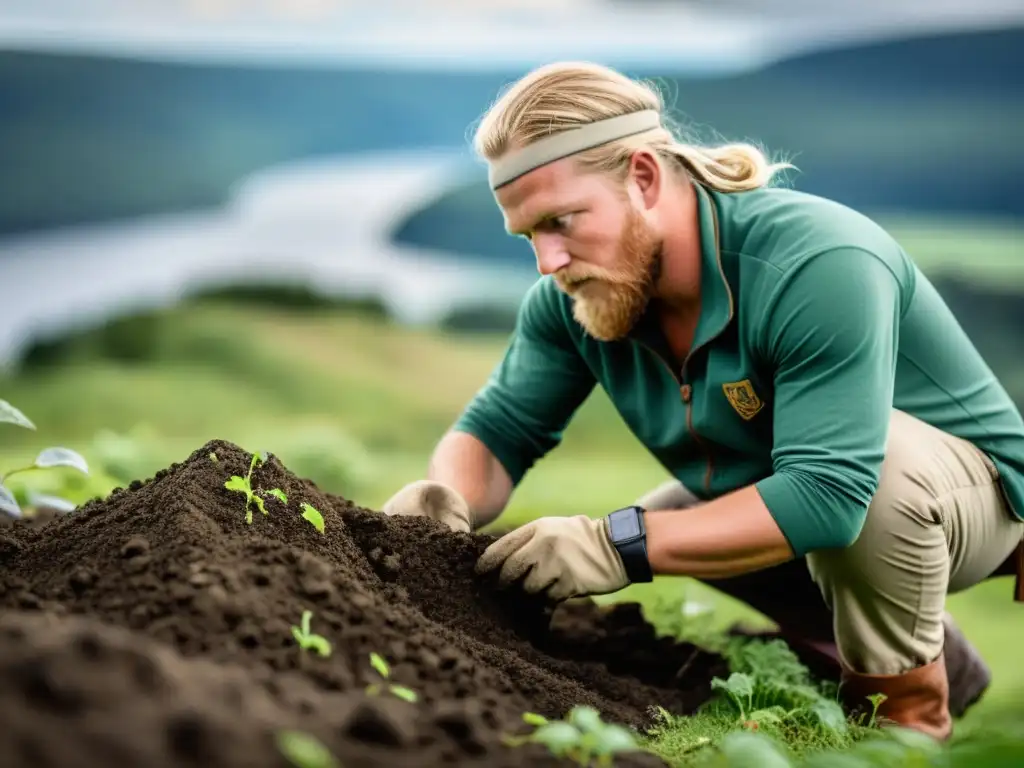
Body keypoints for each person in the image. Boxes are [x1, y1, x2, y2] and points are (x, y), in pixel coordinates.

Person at [380, 61, 1024, 740]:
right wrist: (442, 501)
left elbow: (832, 494)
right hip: (787, 484)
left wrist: (614, 546)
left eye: (562, 222)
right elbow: (502, 426)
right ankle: (921, 646)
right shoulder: (574, 298)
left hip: (969, 499)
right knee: (675, 516)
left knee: (866, 480)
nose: (547, 261)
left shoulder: (817, 263)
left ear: (645, 177)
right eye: (528, 237)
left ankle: (906, 724)